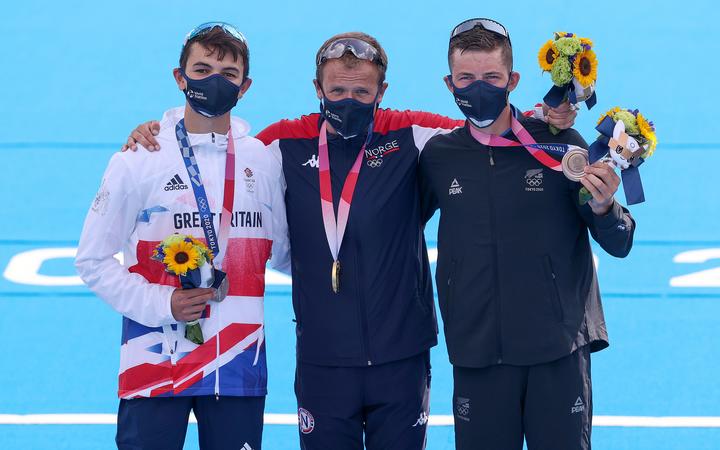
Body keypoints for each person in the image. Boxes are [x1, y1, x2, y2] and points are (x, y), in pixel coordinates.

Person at [123, 31, 576, 449]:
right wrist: (159, 135)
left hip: (402, 354)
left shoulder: (409, 134)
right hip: (324, 358)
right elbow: (214, 153)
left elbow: (488, 130)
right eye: (337, 91)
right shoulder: (282, 144)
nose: (348, 101)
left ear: (382, 92)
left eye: (362, 93)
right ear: (318, 89)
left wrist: (547, 116)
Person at [419, 18, 636, 450]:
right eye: (466, 78)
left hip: (556, 350)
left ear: (512, 80)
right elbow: (396, 226)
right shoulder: (439, 157)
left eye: (491, 77)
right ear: (449, 83)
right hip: (477, 351)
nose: (478, 87)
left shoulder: (560, 147)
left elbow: (619, 241)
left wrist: (604, 206)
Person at [75, 22, 289, 450]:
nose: (214, 80)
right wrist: (161, 303)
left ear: (244, 87)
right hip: (155, 362)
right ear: (180, 77)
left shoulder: (263, 161)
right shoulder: (139, 158)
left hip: (238, 363)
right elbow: (92, 261)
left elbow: (286, 254)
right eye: (202, 68)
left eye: (228, 74)